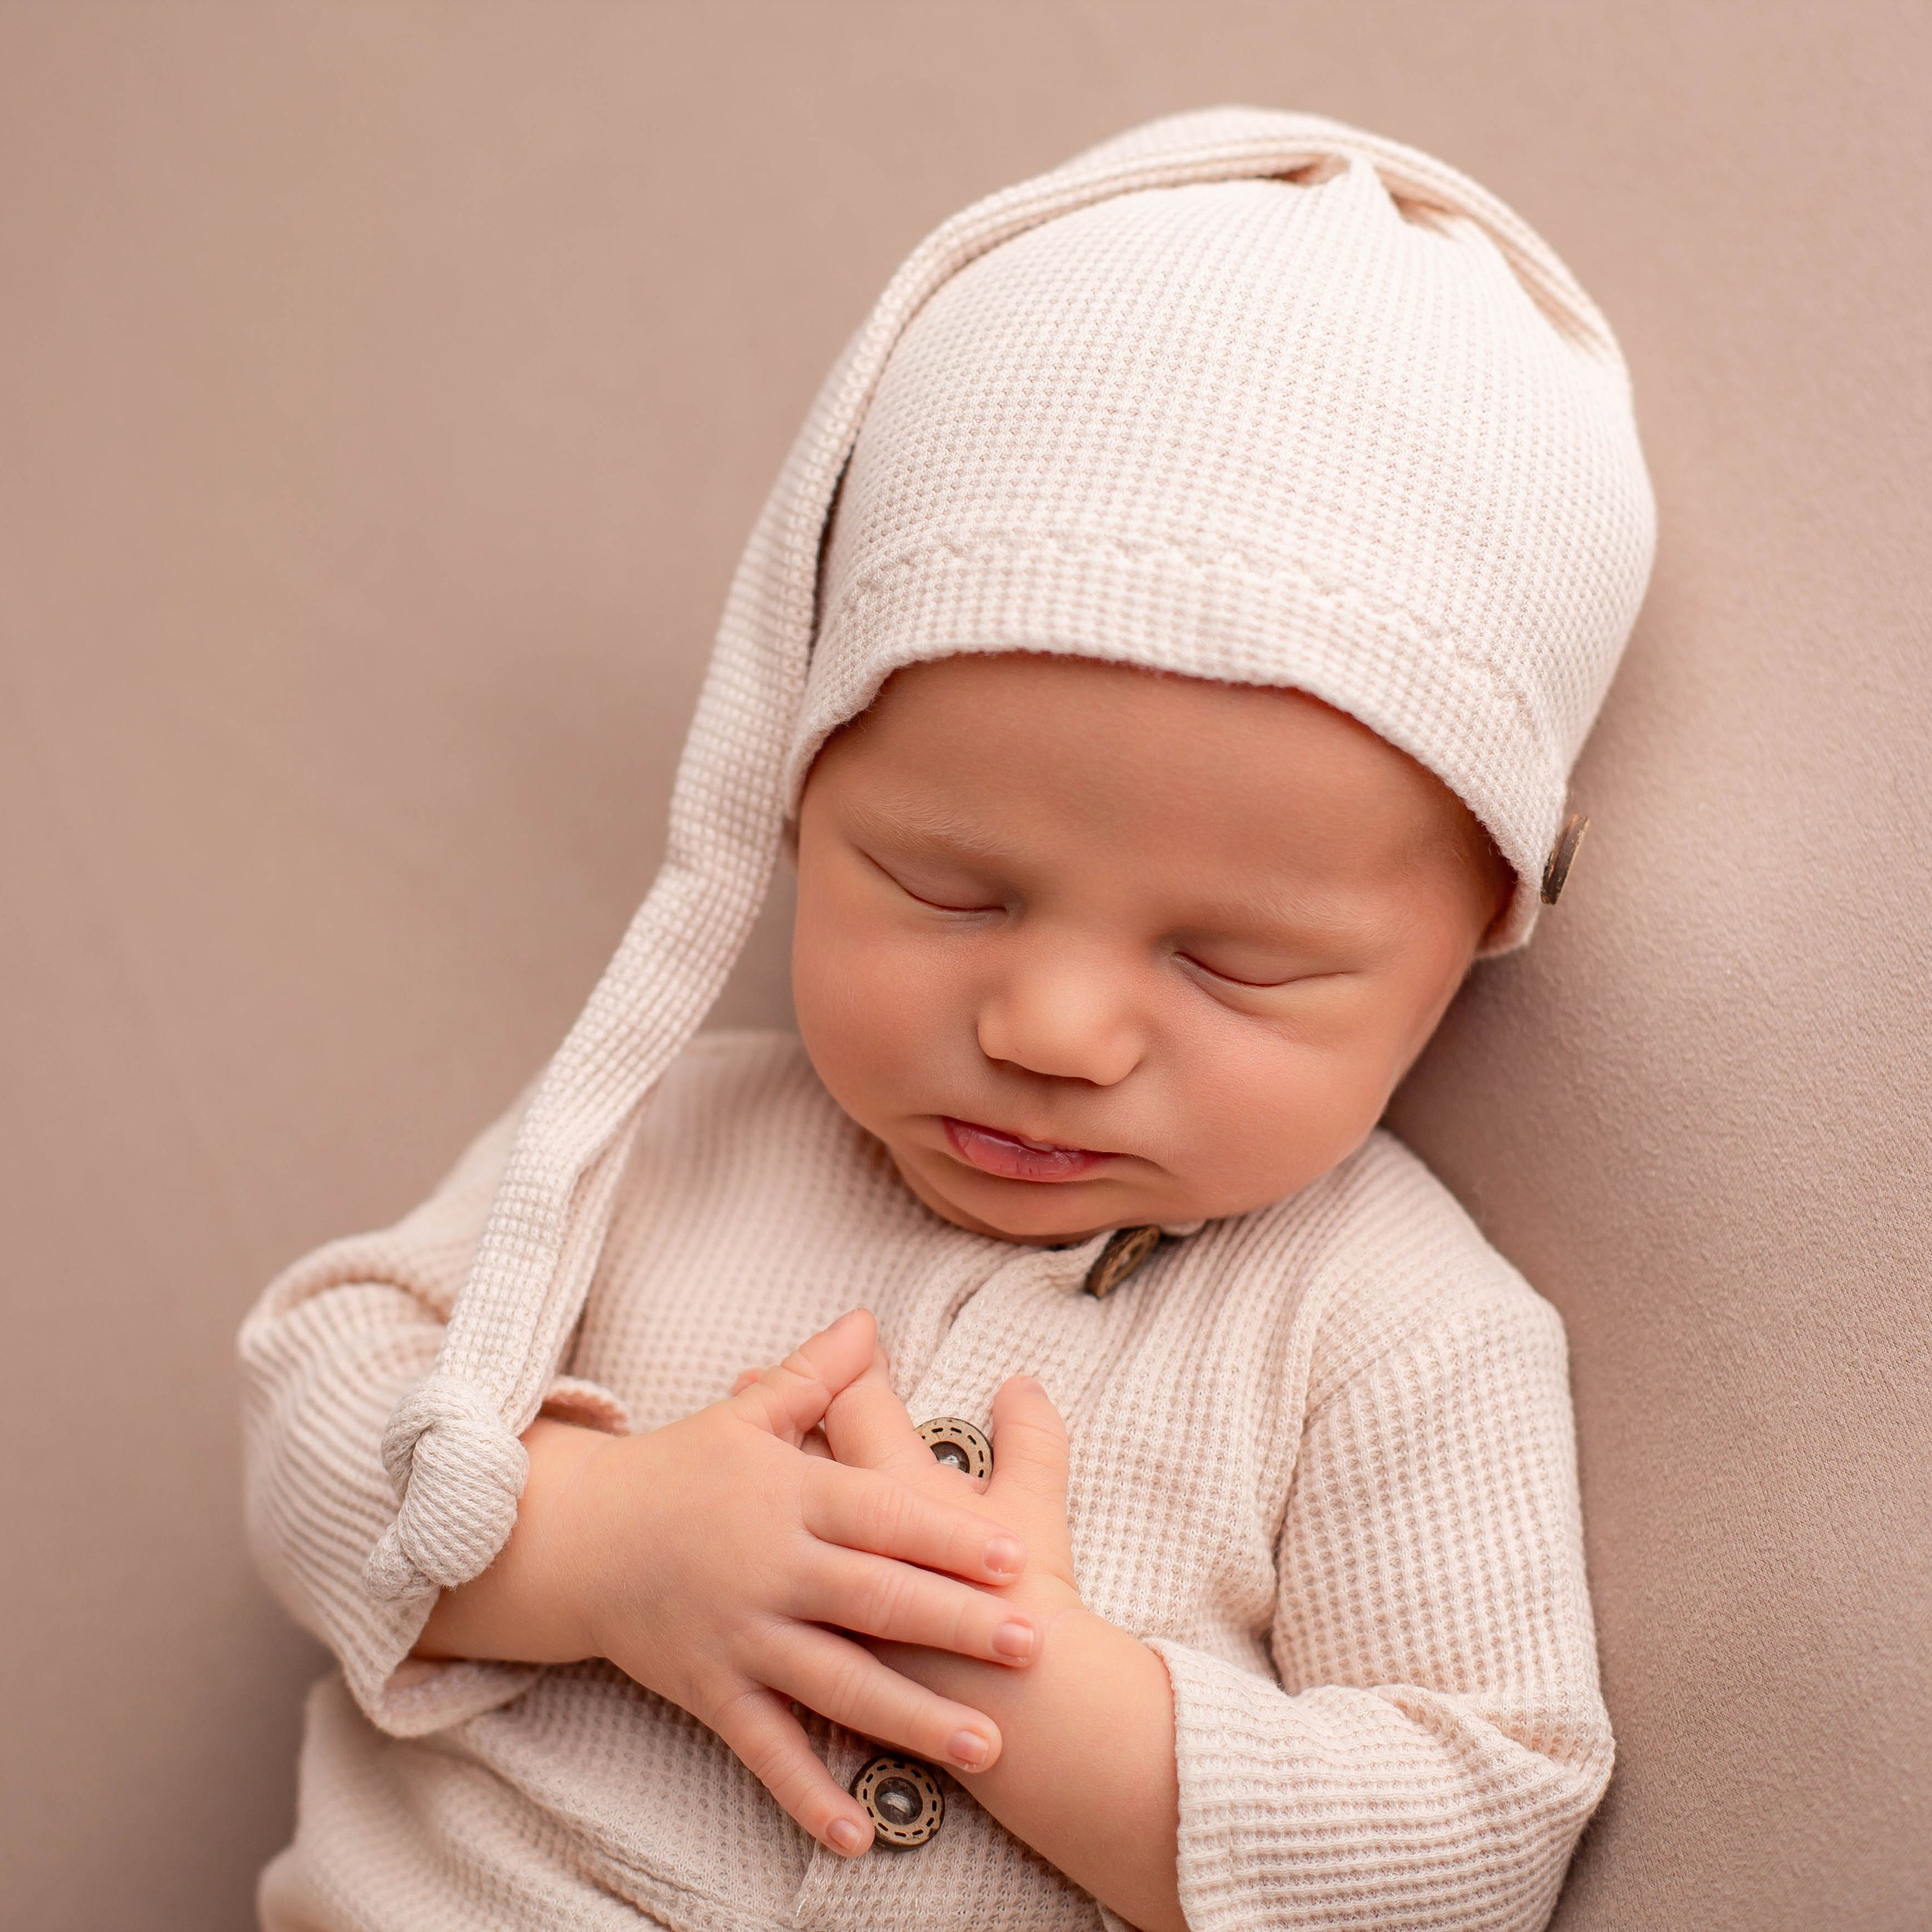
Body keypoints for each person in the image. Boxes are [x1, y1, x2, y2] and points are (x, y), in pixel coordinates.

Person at [241, 106, 1655, 1932]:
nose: (1053, 1023)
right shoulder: (668, 1135)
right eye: (945, 886)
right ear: (797, 785)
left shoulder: (1390, 1328)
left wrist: (1023, 1689)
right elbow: (319, 1389)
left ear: (1471, 932)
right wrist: (591, 1545)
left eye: (1232, 960)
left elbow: (1476, 1826)